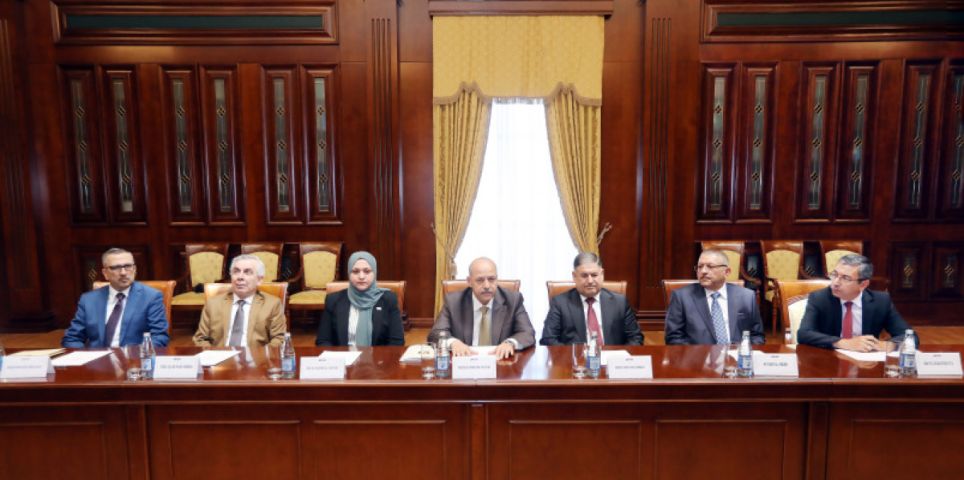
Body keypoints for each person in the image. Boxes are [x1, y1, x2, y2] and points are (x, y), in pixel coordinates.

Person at [797, 254, 912, 351]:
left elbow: (909, 336)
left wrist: (889, 345)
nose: (836, 282)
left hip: (866, 364)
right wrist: (843, 343)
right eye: (835, 274)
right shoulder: (820, 298)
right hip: (830, 360)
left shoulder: (881, 301)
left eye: (845, 278)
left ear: (863, 284)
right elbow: (804, 334)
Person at [428, 257, 535, 359]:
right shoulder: (454, 302)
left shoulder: (513, 300)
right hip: (465, 360)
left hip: (500, 362)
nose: (487, 286)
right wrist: (453, 343)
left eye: (491, 279)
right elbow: (436, 333)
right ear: (469, 281)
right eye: (480, 280)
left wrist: (510, 343)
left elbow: (527, 333)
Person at [62, 248, 169, 348]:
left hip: (134, 358)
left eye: (128, 266)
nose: (123, 272)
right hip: (97, 359)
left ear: (134, 269)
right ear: (105, 273)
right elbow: (72, 338)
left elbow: (160, 337)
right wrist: (86, 358)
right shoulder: (89, 300)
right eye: (116, 268)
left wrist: (136, 356)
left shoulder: (151, 297)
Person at [664, 249, 765, 345]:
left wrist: (744, 352)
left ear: (727, 272)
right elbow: (673, 337)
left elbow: (757, 336)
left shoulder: (747, 297)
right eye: (700, 267)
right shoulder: (682, 297)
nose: (703, 271)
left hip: (737, 355)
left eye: (710, 266)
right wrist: (700, 354)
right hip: (698, 356)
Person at [540, 252, 643, 346]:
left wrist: (619, 357)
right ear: (574, 276)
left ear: (602, 274)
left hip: (611, 358)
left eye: (594, 275)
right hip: (576, 359)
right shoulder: (560, 303)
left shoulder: (619, 302)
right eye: (584, 275)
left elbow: (635, 337)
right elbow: (548, 339)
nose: (590, 281)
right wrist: (572, 356)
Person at [193, 254, 286, 349]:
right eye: (236, 272)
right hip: (220, 355)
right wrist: (213, 355)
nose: (240, 277)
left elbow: (278, 339)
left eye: (247, 272)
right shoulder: (213, 303)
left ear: (259, 279)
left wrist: (260, 355)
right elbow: (201, 338)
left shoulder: (272, 304)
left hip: (256, 356)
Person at [316, 251, 404, 346]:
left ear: (374, 273)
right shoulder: (333, 300)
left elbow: (397, 342)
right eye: (355, 271)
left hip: (378, 355)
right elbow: (323, 341)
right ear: (349, 273)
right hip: (343, 355)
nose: (361, 276)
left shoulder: (388, 300)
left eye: (367, 271)